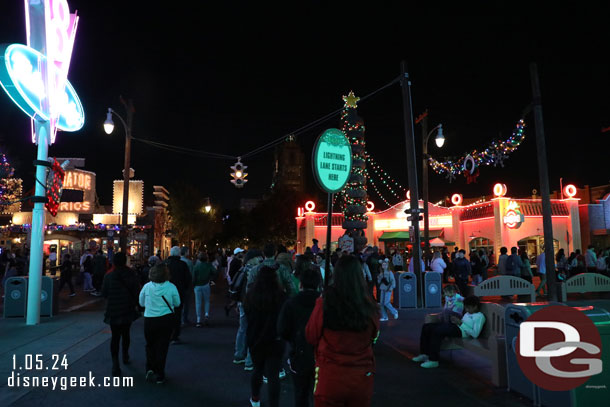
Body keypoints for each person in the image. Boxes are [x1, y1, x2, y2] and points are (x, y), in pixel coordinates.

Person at [306, 255, 380, 407]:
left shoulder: (325, 302)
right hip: (361, 376)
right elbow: (374, 335)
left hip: (330, 375)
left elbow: (311, 335)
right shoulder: (368, 305)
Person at [277, 264, 321, 407]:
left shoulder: (291, 303)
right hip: (321, 354)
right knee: (318, 393)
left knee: (300, 393)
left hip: (299, 352)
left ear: (301, 284)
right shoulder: (324, 304)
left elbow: (282, 329)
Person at [245, 265, 287, 407]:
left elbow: (247, 315)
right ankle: (274, 404)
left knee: (257, 369)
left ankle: (255, 398)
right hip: (275, 338)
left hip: (255, 337)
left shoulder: (251, 295)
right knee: (273, 374)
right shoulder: (280, 296)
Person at [412, 295, 485, 368]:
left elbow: (475, 334)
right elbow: (463, 323)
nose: (466, 310)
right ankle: (424, 354)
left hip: (461, 332)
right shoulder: (468, 313)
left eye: (468, 308)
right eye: (466, 307)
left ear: (475, 306)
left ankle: (433, 360)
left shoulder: (479, 316)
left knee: (437, 331)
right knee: (427, 327)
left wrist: (460, 323)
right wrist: (457, 321)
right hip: (456, 327)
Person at [139, 263, 181, 384]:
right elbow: (177, 303)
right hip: (166, 318)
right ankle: (160, 373)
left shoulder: (147, 287)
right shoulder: (171, 287)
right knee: (162, 346)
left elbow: (141, 303)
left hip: (150, 319)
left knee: (150, 345)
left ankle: (150, 367)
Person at [101, 252, 140, 377]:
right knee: (126, 333)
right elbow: (136, 291)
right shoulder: (131, 274)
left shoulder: (109, 276)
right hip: (127, 308)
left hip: (113, 309)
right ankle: (125, 355)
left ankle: (115, 364)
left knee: (115, 337)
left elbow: (104, 293)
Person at [234, 249, 263, 370]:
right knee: (254, 330)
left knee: (242, 329)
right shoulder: (255, 271)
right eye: (259, 258)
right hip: (252, 303)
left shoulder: (242, 269)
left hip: (242, 302)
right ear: (253, 258)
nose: (261, 260)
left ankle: (239, 354)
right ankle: (250, 361)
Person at [166, 246, 192, 343]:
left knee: (166, 313)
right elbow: (188, 279)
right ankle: (175, 335)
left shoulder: (165, 264)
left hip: (166, 292)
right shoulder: (183, 265)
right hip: (179, 292)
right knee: (177, 314)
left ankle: (167, 333)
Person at [192, 252, 216, 327]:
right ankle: (206, 314)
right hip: (206, 284)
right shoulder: (209, 265)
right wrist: (211, 278)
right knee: (207, 301)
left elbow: (193, 277)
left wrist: (193, 284)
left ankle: (198, 319)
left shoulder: (196, 266)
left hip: (197, 286)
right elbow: (215, 272)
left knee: (198, 302)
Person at [180, 247, 194, 326]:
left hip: (179, 284)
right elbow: (192, 274)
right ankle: (184, 318)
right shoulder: (189, 262)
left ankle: (180, 318)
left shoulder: (179, 261)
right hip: (187, 285)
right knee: (186, 303)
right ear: (185, 252)